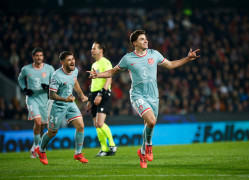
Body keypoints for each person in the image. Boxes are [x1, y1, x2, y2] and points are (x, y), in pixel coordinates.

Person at [87, 30, 200, 168]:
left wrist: (187, 58)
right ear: (134, 43)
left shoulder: (154, 54)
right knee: (151, 121)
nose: (145, 41)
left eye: (145, 39)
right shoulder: (128, 58)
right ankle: (148, 145)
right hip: (137, 96)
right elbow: (113, 71)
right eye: (142, 39)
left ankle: (142, 152)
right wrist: (98, 75)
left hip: (154, 96)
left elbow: (170, 65)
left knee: (150, 124)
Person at [36, 51, 88, 165]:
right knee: (52, 132)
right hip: (57, 105)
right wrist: (65, 100)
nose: (72, 61)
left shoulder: (75, 70)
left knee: (80, 126)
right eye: (69, 60)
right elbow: (51, 95)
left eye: (73, 59)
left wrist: (81, 95)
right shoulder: (56, 76)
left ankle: (78, 153)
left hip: (70, 103)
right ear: (62, 62)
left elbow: (74, 81)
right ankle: (41, 150)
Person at [18, 47, 55, 158]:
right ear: (33, 57)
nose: (39, 58)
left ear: (43, 57)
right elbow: (20, 79)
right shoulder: (26, 69)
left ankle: (35, 146)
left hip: (44, 99)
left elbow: (55, 82)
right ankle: (36, 148)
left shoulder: (49, 69)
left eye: (41, 55)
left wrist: (48, 87)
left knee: (42, 125)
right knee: (38, 123)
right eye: (37, 56)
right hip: (32, 98)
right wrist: (24, 88)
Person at [87, 41, 117, 157]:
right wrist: (90, 99)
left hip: (103, 93)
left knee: (100, 122)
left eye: (94, 48)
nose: (92, 50)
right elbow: (93, 82)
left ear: (101, 50)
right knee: (96, 124)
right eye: (92, 48)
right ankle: (104, 149)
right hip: (94, 94)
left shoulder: (106, 62)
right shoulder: (94, 64)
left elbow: (109, 79)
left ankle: (112, 145)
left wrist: (101, 94)